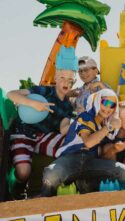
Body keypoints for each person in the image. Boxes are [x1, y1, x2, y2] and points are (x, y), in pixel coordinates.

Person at [7, 46, 76, 199]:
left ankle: (53, 187)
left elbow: (64, 129)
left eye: (70, 80)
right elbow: (11, 94)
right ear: (56, 77)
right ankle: (17, 189)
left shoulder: (67, 106)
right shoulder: (43, 91)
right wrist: (32, 104)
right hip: (23, 134)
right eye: (63, 78)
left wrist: (79, 119)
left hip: (44, 137)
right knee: (23, 172)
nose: (66, 83)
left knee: (72, 145)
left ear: (73, 82)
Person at [41, 89, 125, 197]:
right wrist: (109, 127)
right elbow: (88, 142)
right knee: (51, 175)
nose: (108, 108)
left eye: (112, 105)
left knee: (124, 172)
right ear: (97, 101)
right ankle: (44, 205)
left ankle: (82, 184)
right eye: (105, 102)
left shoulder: (105, 125)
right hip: (70, 158)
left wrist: (115, 147)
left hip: (91, 162)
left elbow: (104, 148)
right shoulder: (86, 116)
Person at [102, 101, 125, 167]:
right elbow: (102, 158)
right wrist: (113, 150)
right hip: (106, 166)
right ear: (116, 118)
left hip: (122, 170)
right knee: (108, 146)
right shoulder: (107, 134)